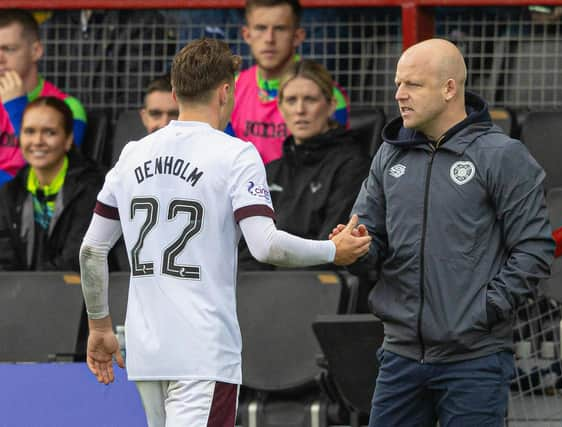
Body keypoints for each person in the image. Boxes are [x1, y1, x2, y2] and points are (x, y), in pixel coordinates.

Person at [78, 38, 370, 427]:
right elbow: (266, 246)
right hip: (202, 351)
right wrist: (333, 251)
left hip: (146, 351)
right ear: (226, 89)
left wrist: (99, 326)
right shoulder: (236, 154)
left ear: (178, 89)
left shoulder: (133, 153)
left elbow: (91, 251)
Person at [332, 39, 556, 426]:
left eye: (413, 85)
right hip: (399, 355)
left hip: (474, 359)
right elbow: (371, 238)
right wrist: (353, 249)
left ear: (450, 88)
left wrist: (485, 310)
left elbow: (534, 249)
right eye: (398, 84)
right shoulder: (389, 154)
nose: (400, 95)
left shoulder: (502, 156)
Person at [239, 59, 369, 271]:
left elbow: (332, 250)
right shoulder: (270, 171)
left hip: (318, 290)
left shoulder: (353, 166)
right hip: (259, 291)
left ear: (331, 106)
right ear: (280, 108)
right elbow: (247, 251)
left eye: (310, 99)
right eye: (291, 100)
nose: (300, 110)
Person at [229, 0, 350, 164]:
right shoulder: (231, 89)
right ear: (247, 35)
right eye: (260, 28)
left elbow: (334, 161)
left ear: (298, 36)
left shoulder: (327, 92)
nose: (269, 39)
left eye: (280, 29)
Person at [0, 97, 102, 271]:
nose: (38, 141)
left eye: (50, 132)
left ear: (68, 139)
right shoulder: (9, 192)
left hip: (74, 292)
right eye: (29, 131)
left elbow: (76, 258)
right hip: (18, 294)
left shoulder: (93, 188)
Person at [0, 9, 87, 186]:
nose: (0, 58)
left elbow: (58, 172)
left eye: (8, 49)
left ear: (36, 51)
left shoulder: (68, 107)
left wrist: (16, 107)